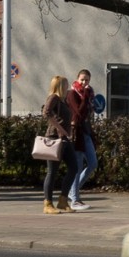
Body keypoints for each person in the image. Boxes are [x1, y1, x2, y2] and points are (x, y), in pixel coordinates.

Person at [42, 75, 78, 214]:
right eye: (66, 84)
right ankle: (48, 203)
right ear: (60, 85)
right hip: (54, 138)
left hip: (64, 139)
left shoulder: (63, 100)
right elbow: (46, 113)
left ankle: (63, 200)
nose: (68, 86)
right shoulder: (54, 98)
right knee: (52, 171)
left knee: (74, 167)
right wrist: (60, 128)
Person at [67, 68, 96, 211]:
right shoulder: (72, 93)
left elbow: (88, 112)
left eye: (87, 80)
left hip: (85, 132)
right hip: (76, 133)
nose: (84, 82)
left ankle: (73, 191)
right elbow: (78, 113)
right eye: (82, 79)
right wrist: (85, 96)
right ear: (77, 79)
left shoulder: (89, 94)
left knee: (93, 163)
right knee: (77, 167)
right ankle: (75, 200)